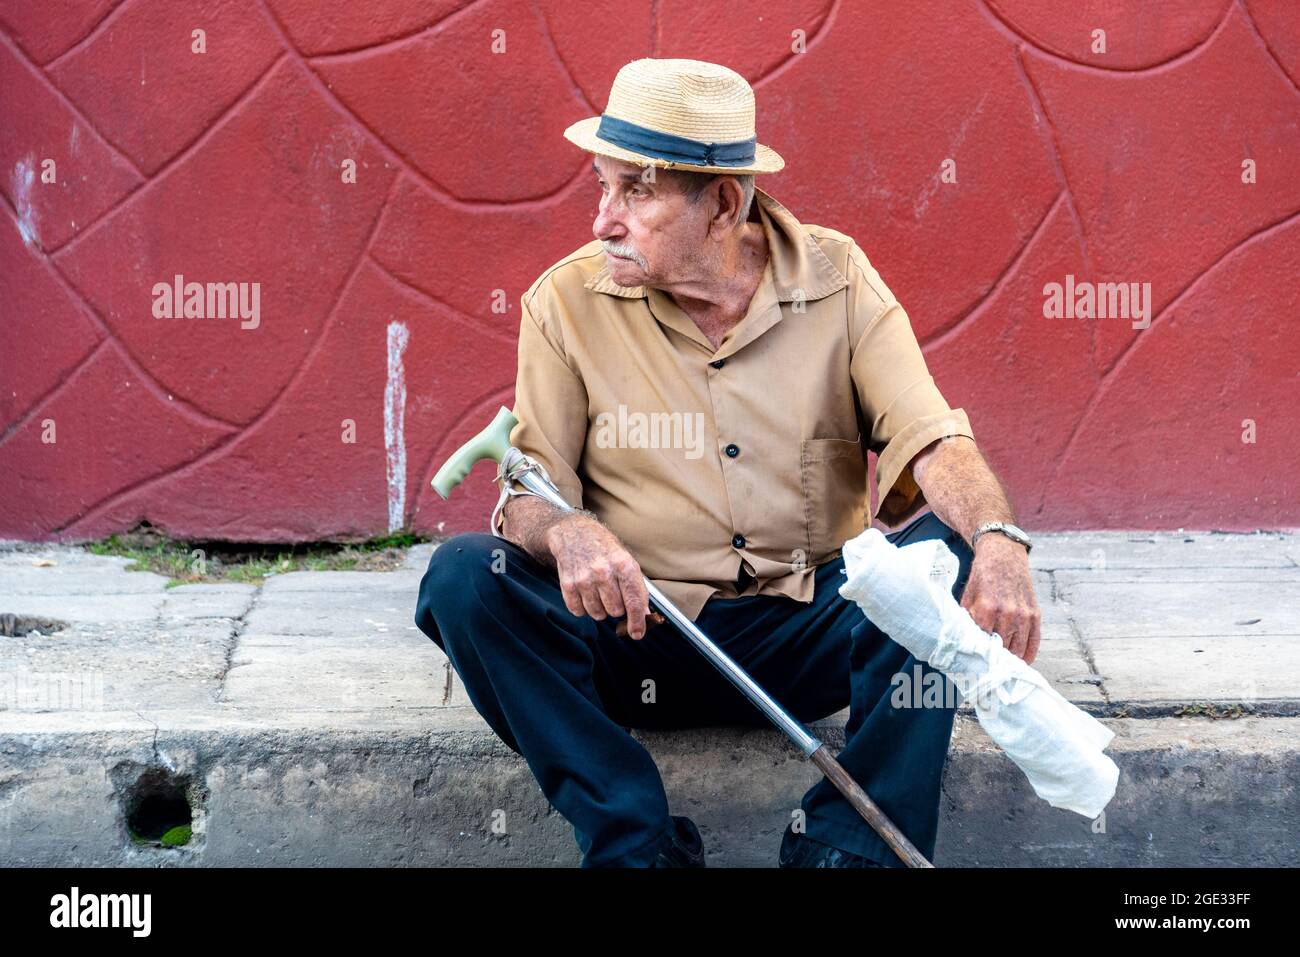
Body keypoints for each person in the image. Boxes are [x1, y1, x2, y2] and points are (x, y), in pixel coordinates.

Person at [415, 57, 1040, 868]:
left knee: (941, 561)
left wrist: (998, 538)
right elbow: (528, 494)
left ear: (722, 203)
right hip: (638, 629)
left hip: (809, 631)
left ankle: (845, 853)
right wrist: (567, 531)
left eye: (635, 192)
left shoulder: (838, 279)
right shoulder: (565, 303)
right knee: (467, 578)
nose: (604, 219)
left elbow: (933, 440)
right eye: (601, 187)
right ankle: (635, 845)